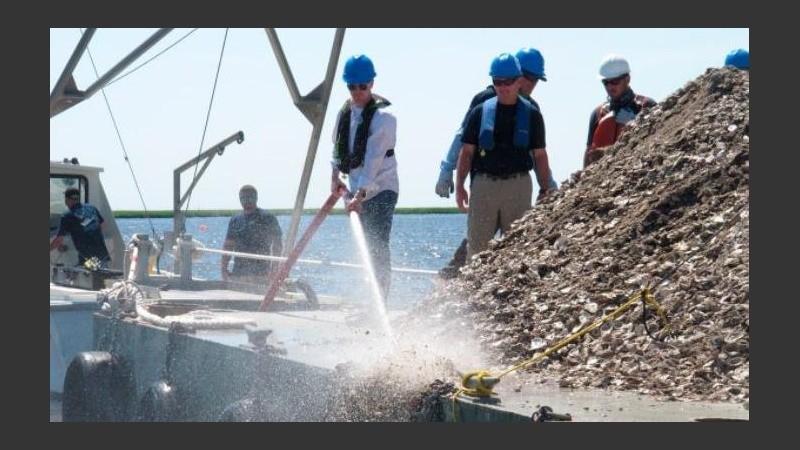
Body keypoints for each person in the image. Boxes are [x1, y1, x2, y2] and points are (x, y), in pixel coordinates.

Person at [436, 47, 557, 278]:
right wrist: (447, 170)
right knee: (477, 244)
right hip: (485, 184)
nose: (531, 85)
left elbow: (538, 153)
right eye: (529, 78)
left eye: (534, 80)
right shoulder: (484, 103)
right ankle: (451, 284)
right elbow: (463, 141)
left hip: (517, 184)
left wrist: (548, 185)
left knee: (516, 244)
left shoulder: (531, 111)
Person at [330, 54, 399, 304]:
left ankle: (380, 301)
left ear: (372, 83)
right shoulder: (344, 112)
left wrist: (359, 195)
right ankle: (370, 300)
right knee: (367, 247)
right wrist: (335, 176)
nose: (357, 92)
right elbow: (337, 147)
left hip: (381, 188)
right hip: (356, 188)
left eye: (363, 86)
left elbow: (373, 160)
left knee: (377, 245)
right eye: (352, 86)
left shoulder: (385, 119)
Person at [583, 53, 656, 168]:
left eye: (615, 81)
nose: (610, 87)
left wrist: (609, 152)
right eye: (606, 82)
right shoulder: (597, 114)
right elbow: (588, 152)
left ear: (627, 79)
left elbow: (653, 146)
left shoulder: (646, 106)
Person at [221, 184, 283, 284]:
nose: (246, 201)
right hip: (239, 273)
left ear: (256, 198)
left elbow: (277, 245)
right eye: (243, 198)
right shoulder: (235, 220)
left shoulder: (268, 218)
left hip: (262, 274)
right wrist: (223, 269)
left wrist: (275, 269)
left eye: (250, 197)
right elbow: (228, 246)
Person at [49, 187, 111, 269]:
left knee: (87, 276)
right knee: (101, 276)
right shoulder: (92, 208)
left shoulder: (67, 215)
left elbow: (58, 240)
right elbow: (102, 225)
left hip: (88, 259)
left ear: (67, 200)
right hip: (102, 255)